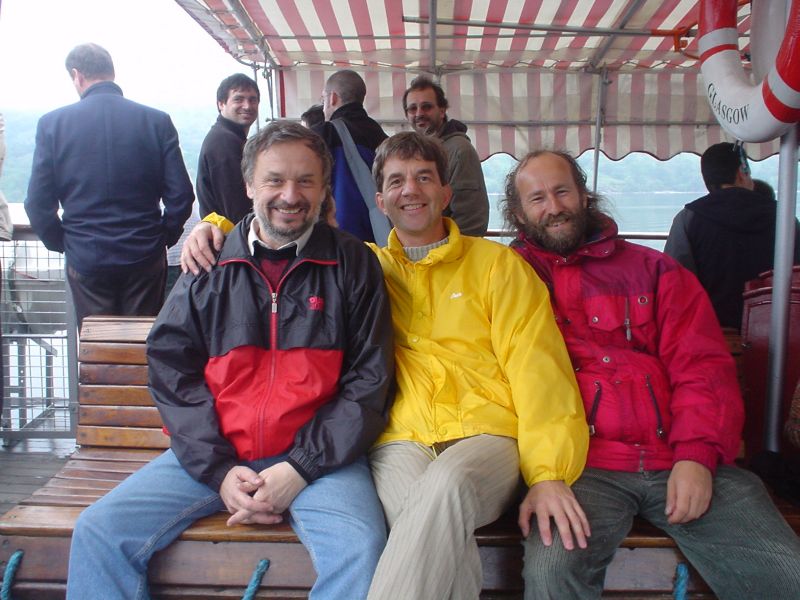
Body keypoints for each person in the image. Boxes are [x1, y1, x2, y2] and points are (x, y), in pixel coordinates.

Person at [180, 132, 590, 599]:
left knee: (446, 487)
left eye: (424, 178)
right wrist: (214, 226)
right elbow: (284, 233)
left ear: (445, 194)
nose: (410, 189)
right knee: (434, 530)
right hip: (401, 442)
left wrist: (548, 473)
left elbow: (538, 371)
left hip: (488, 437)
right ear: (380, 201)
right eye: (396, 181)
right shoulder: (367, 267)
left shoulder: (497, 267)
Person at [66, 121, 395, 600]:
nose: (290, 195)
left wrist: (300, 467)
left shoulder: (353, 263)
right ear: (248, 186)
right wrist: (218, 471)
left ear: (325, 187)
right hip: (215, 455)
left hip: (321, 460)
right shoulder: (209, 262)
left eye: (306, 181)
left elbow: (370, 379)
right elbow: (171, 368)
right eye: (274, 180)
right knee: (98, 532)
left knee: (361, 549)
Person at [503, 149, 800, 600]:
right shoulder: (509, 280)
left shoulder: (654, 270)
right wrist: (542, 475)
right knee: (551, 572)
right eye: (537, 198)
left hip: (677, 457)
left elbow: (702, 366)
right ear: (519, 214)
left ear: (584, 194)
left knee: (787, 575)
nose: (554, 206)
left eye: (562, 191)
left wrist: (696, 455)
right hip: (580, 470)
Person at [24, 43, 194, 327]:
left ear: (77, 75)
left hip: (86, 254)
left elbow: (37, 203)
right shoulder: (156, 121)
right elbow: (182, 195)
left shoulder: (53, 124)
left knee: (98, 343)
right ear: (111, 71)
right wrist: (162, 237)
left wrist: (64, 242)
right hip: (144, 253)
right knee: (142, 341)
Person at [664, 142, 800, 330]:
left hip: (712, 329)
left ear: (707, 179)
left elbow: (675, 280)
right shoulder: (784, 216)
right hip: (774, 328)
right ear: (741, 172)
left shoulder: (688, 218)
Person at [403, 76, 489, 237]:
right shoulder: (417, 152)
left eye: (427, 107)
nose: (419, 113)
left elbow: (472, 218)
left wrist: (452, 249)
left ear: (442, 111)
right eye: (412, 109)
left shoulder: (460, 151)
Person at [313, 69, 388, 243]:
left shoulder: (324, 134)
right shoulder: (384, 138)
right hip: (382, 235)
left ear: (332, 98)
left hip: (340, 238)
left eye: (323, 100)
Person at [196, 73, 260, 223]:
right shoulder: (224, 142)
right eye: (238, 99)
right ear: (221, 104)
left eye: (253, 100)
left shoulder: (230, 137)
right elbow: (237, 208)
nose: (247, 106)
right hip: (230, 233)